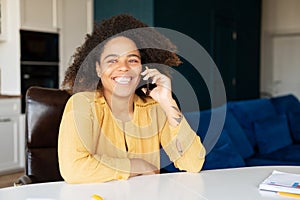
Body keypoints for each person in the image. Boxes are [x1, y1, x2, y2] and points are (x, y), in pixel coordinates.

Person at [58, 14, 205, 184]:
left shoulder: (154, 107)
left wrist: (168, 102)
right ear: (98, 69)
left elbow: (194, 163)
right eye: (112, 60)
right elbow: (73, 169)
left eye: (132, 60)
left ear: (142, 68)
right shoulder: (82, 104)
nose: (124, 67)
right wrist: (136, 165)